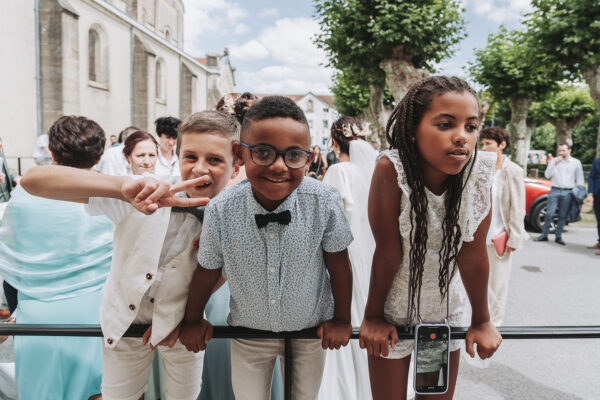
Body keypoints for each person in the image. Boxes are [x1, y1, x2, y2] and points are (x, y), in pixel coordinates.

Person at [21, 111, 240, 400]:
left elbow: (221, 272)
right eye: (190, 157)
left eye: (214, 160)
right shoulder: (143, 189)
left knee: (184, 395)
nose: (200, 168)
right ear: (176, 155)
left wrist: (186, 317)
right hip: (124, 323)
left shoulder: (234, 214)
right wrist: (120, 188)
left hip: (181, 325)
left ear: (235, 166)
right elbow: (33, 180)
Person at [166, 96, 353, 400]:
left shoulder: (324, 201)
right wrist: (192, 319)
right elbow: (207, 268)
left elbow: (339, 265)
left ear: (308, 157)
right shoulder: (222, 209)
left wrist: (342, 319)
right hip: (248, 335)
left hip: (308, 333)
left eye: (294, 155)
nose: (279, 166)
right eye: (263, 152)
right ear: (240, 154)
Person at [359, 76, 502, 400]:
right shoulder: (390, 168)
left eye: (471, 126)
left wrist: (481, 320)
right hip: (392, 312)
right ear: (413, 129)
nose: (462, 137)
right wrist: (373, 316)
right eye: (445, 124)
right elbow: (388, 252)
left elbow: (473, 252)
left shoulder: (478, 172)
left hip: (442, 315)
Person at [0, 115, 114, 400]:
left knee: (42, 390)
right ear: (99, 156)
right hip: (95, 305)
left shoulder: (24, 194)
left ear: (51, 153)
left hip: (38, 309)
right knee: (96, 390)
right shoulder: (111, 194)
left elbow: (13, 247)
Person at [319, 117, 377, 400]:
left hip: (345, 255)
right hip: (370, 256)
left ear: (333, 142)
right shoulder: (376, 172)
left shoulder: (339, 171)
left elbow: (331, 217)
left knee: (344, 313)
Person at [480, 127, 528, 326]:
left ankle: (495, 325)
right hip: (478, 238)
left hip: (500, 237)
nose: (484, 148)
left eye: (489, 144)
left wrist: (514, 237)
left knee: (498, 285)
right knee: (478, 285)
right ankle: (479, 321)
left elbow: (517, 207)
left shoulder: (513, 171)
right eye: (482, 144)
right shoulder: (480, 168)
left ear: (502, 145)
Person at [534, 143, 584, 245]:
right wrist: (554, 164)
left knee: (562, 215)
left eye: (563, 150)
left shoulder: (576, 162)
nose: (561, 153)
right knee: (549, 214)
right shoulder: (553, 161)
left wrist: (580, 193)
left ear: (569, 150)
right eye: (559, 150)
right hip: (554, 190)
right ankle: (544, 235)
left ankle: (558, 236)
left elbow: (580, 179)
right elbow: (547, 175)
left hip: (568, 192)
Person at [587, 156, 600, 255]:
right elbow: (591, 177)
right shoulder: (597, 161)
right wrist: (590, 193)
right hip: (597, 194)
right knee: (599, 219)